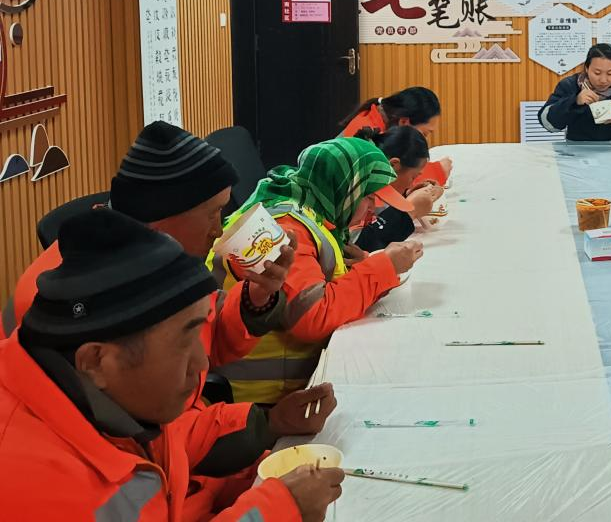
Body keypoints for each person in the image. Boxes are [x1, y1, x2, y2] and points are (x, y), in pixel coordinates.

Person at [0, 209, 343, 520]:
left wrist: (270, 424)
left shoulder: (121, 402)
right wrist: (277, 511)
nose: (201, 361)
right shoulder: (36, 487)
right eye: (184, 340)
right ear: (96, 361)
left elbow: (175, 441)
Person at [3, 122, 294, 386]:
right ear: (162, 219)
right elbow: (140, 423)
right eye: (213, 214)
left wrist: (255, 298)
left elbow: (203, 344)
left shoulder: (163, 260)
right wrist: (252, 422)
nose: (218, 230)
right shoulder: (73, 299)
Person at [216, 137, 423, 404]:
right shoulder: (285, 227)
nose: (374, 208)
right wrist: (384, 268)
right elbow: (311, 317)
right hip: (263, 400)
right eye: (369, 197)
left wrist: (366, 265)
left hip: (288, 387)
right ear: (344, 189)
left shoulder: (309, 210)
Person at [351, 126, 443, 251]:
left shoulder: (368, 176)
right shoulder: (358, 190)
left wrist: (407, 197)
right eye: (413, 177)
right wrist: (409, 213)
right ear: (394, 165)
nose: (410, 184)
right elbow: (359, 246)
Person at [539, 43, 611, 142]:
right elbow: (548, 123)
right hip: (579, 150)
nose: (603, 80)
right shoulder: (570, 86)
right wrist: (574, 101)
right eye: (597, 73)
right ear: (587, 68)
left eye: (610, 73)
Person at [339, 85, 451, 187]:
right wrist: (437, 172)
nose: (424, 141)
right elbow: (389, 185)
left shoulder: (375, 117)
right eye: (424, 134)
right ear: (404, 122)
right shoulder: (366, 136)